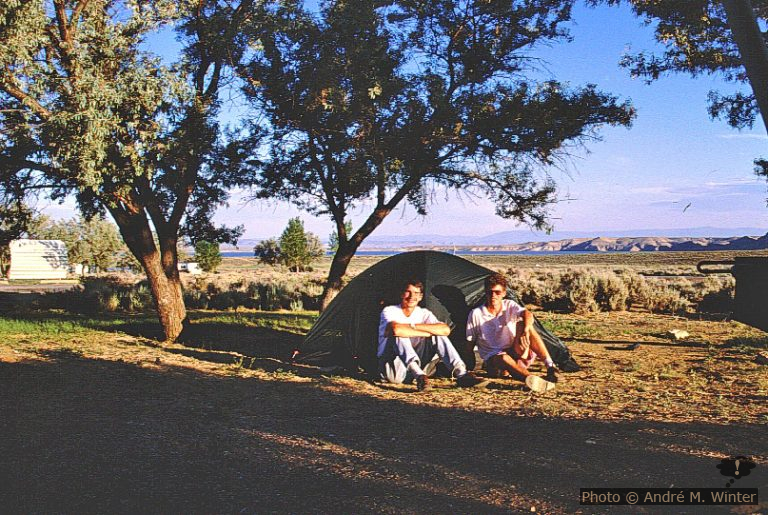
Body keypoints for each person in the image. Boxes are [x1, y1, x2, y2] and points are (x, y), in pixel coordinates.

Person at [378, 279, 487, 391]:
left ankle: (461, 373)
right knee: (400, 336)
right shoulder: (390, 310)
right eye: (408, 292)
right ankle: (419, 375)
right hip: (394, 369)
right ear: (401, 294)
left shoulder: (424, 313)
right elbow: (396, 330)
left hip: (418, 366)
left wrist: (411, 326)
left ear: (420, 297)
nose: (411, 296)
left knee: (437, 335)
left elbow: (445, 330)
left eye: (416, 293)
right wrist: (426, 332)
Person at [466, 273, 557, 393]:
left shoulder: (509, 305)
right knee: (503, 357)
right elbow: (470, 342)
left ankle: (550, 366)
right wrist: (467, 366)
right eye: (490, 292)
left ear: (503, 293)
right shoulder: (476, 314)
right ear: (486, 293)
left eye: (497, 292)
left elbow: (527, 314)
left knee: (526, 325)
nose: (493, 296)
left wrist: (525, 329)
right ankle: (532, 379)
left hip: (516, 351)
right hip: (495, 359)